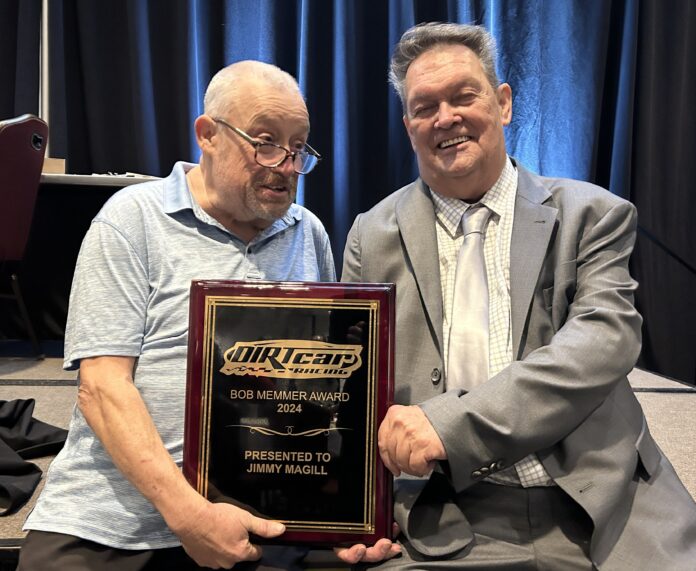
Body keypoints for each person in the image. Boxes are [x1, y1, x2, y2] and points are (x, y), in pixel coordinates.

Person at [338, 22, 696, 569]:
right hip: (438, 512)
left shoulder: (593, 214)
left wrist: (450, 425)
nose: (446, 118)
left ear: (503, 103)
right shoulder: (370, 235)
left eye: (464, 96)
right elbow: (350, 385)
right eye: (424, 106)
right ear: (409, 126)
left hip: (598, 503)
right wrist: (346, 507)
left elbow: (603, 342)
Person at [19, 60, 336, 570]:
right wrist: (188, 514)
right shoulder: (132, 218)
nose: (286, 165)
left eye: (299, 148)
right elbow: (101, 388)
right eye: (266, 141)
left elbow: (326, 387)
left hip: (262, 506)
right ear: (208, 135)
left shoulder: (308, 234)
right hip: (117, 520)